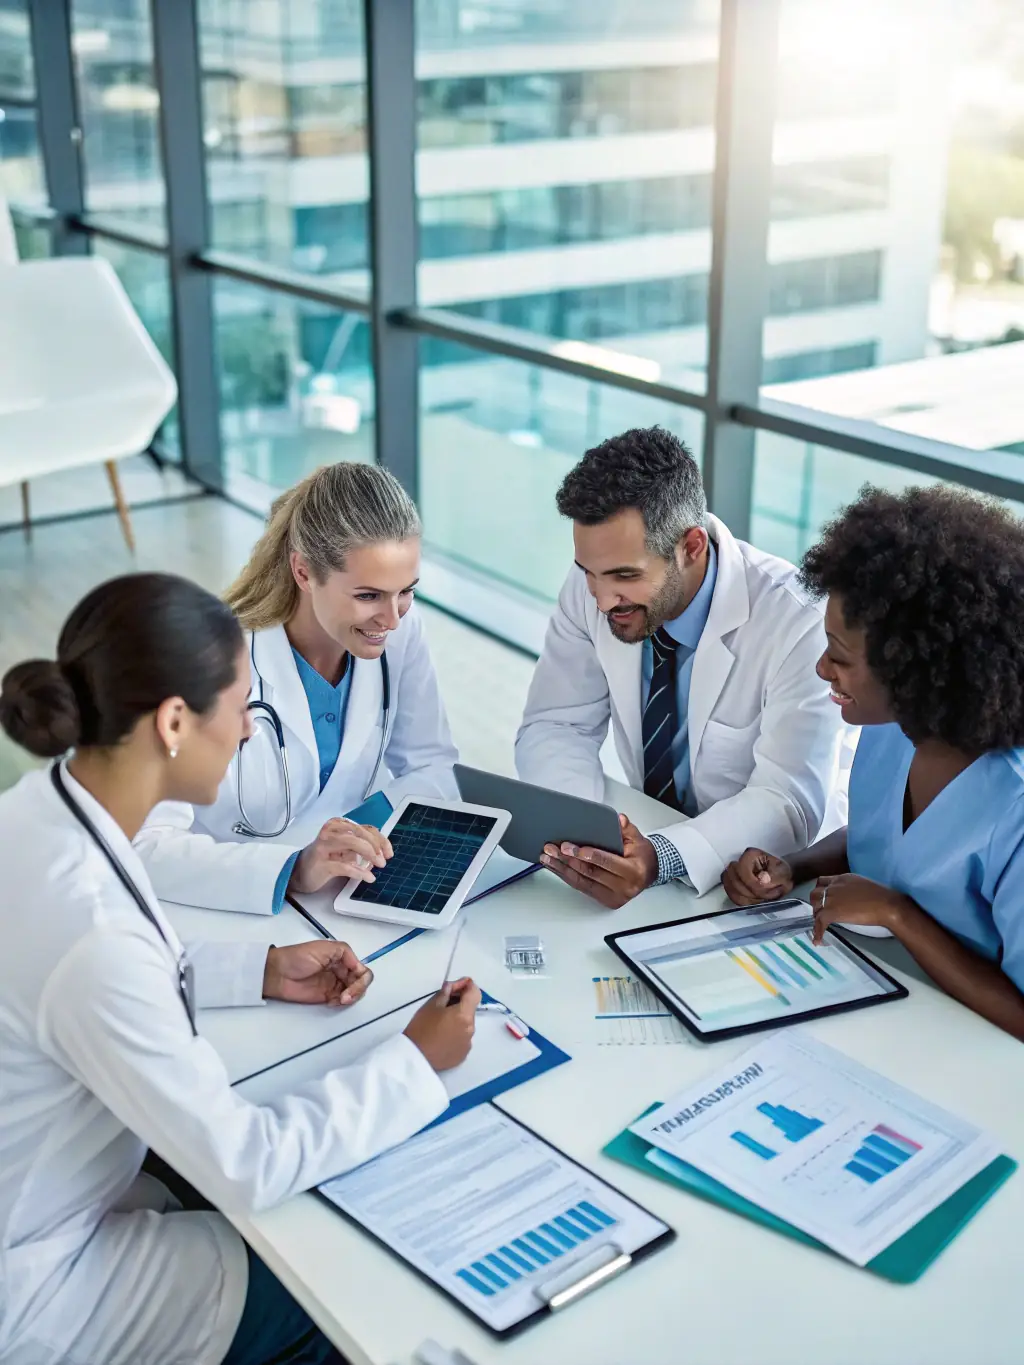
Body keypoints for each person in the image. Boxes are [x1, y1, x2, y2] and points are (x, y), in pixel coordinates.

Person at [0, 572, 480, 1365]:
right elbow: (249, 1162)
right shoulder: (94, 935)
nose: (252, 731)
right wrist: (413, 1061)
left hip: (51, 1188)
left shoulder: (36, 809)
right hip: (40, 1286)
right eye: (242, 705)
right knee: (331, 1285)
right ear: (174, 722)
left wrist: (257, 970)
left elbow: (83, 987)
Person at [723, 485, 1024, 1040]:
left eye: (839, 656)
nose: (820, 669)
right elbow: (884, 835)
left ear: (914, 667)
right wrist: (799, 864)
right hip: (866, 997)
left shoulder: (1014, 805)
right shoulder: (896, 728)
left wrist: (897, 915)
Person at [515, 425, 844, 907]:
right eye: (590, 573)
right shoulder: (596, 580)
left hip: (761, 881)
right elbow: (555, 724)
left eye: (625, 576)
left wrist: (662, 857)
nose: (603, 600)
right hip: (644, 844)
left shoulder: (798, 621)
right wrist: (587, 839)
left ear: (692, 546)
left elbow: (788, 801)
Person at [135, 462, 459, 916]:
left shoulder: (400, 631)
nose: (392, 618)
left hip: (346, 894)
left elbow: (433, 764)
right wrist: (296, 867)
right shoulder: (202, 659)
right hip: (225, 906)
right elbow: (144, 846)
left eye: (406, 591)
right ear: (304, 572)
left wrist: (357, 831)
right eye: (368, 596)